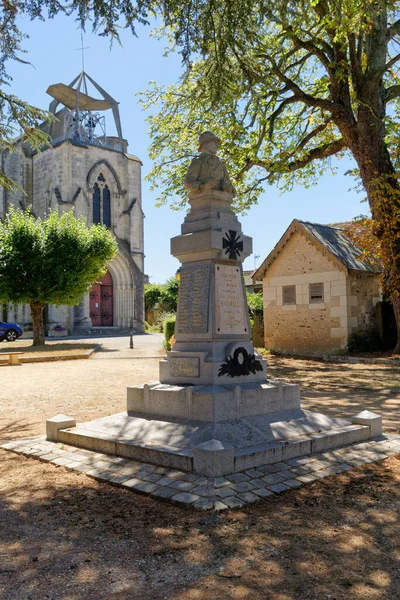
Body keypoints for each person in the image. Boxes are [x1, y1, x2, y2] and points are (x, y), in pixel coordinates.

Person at [184, 131, 236, 196]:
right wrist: (203, 186)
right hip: (203, 200)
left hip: (222, 201)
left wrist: (228, 188)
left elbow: (230, 187)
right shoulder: (198, 162)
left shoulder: (221, 165)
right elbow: (188, 183)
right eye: (214, 142)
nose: (217, 145)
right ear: (205, 145)